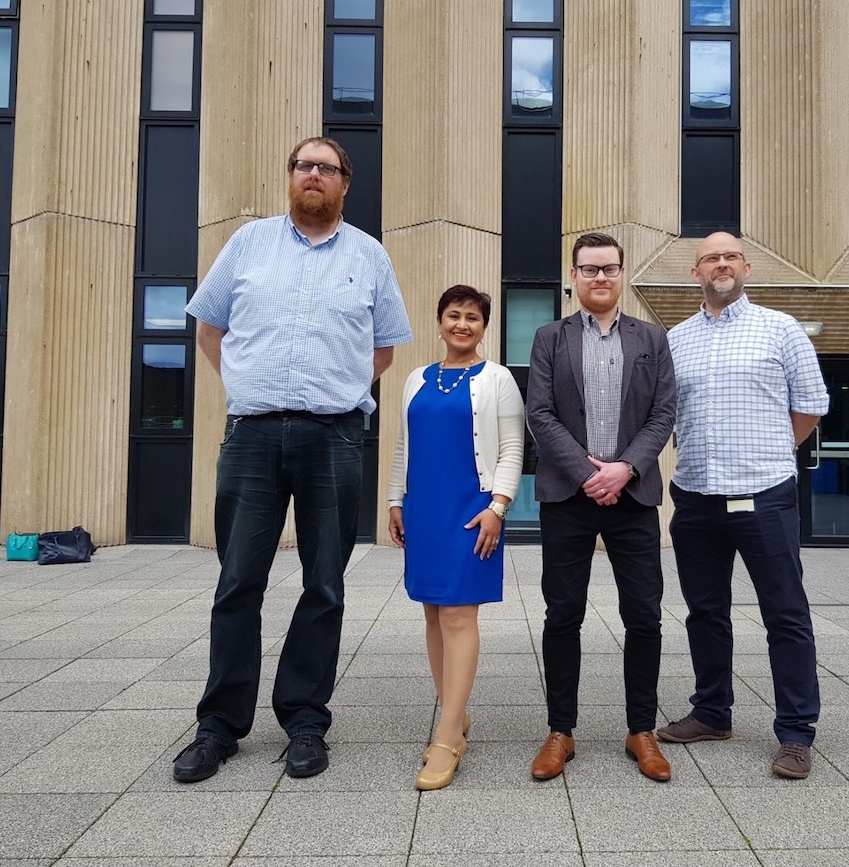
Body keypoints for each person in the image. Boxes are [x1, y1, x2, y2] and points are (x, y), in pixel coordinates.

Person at [173, 136, 413, 783]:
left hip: (333, 438)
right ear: (290, 177)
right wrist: (246, 385)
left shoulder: (370, 256)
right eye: (305, 165)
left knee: (325, 583)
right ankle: (219, 725)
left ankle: (305, 719)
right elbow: (208, 328)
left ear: (344, 183)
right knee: (237, 582)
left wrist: (341, 391)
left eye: (326, 168)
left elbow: (385, 348)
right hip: (251, 435)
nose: (314, 174)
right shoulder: (249, 244)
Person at [658, 231, 829, 779]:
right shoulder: (675, 339)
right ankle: (712, 712)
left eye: (731, 256)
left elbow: (809, 407)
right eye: (711, 258)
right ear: (696, 273)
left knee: (785, 613)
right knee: (705, 612)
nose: (722, 265)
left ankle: (796, 732)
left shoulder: (781, 329)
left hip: (765, 496)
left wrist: (772, 451)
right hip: (696, 495)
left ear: (747, 268)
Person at [525, 232, 677, 783]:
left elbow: (664, 414)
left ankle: (642, 729)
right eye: (589, 270)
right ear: (574, 276)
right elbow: (539, 413)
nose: (600, 278)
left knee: (644, 615)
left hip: (632, 495)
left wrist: (625, 468)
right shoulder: (549, 337)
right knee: (563, 614)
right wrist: (590, 473)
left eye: (609, 268)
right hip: (569, 496)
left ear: (622, 272)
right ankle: (560, 731)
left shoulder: (652, 339)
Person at [387, 285, 524, 791]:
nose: (462, 324)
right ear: (439, 321)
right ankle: (454, 711)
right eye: (453, 315)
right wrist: (395, 501)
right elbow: (404, 446)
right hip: (424, 509)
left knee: (460, 614)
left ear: (484, 327)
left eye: (472, 318)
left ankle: (448, 737)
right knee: (432, 610)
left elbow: (512, 449)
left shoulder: (498, 379)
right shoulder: (416, 378)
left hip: (473, 511)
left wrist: (499, 508)